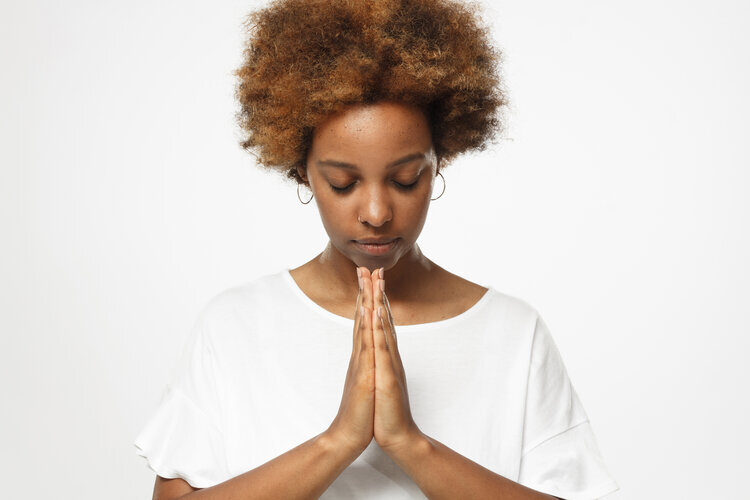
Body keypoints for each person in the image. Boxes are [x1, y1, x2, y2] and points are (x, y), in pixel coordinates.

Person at [134, 0, 620, 498]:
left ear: (439, 162)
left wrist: (409, 443)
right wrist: (338, 440)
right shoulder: (235, 326)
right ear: (302, 171)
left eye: (406, 180)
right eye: (343, 183)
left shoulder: (514, 335)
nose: (376, 212)